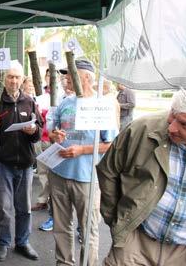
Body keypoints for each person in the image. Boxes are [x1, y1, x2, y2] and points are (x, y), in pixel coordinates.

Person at [97, 90, 186, 265]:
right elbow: (108, 171)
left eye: (184, 124)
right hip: (135, 243)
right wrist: (119, 222)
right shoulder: (142, 129)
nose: (171, 127)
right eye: (172, 115)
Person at [48, 59, 116, 266]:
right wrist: (55, 136)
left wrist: (82, 150)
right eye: (66, 74)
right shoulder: (65, 102)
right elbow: (53, 131)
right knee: (61, 227)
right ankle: (64, 263)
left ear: (86, 77)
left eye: (71, 74)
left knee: (88, 229)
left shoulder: (102, 105)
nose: (66, 78)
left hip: (86, 178)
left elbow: (111, 144)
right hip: (59, 173)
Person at [0, 61, 43, 262]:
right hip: (1, 164)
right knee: (3, 208)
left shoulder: (30, 101)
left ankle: (22, 242)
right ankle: (3, 242)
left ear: (22, 78)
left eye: (17, 77)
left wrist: (33, 130)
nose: (14, 81)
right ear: (2, 79)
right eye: (10, 77)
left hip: (25, 165)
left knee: (24, 208)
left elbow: (39, 133)